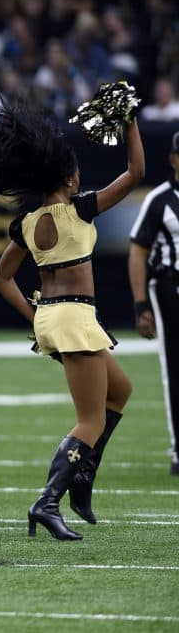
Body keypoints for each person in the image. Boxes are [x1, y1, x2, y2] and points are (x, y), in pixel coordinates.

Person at [0, 94, 144, 540]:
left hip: (55, 319)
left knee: (121, 390)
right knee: (90, 419)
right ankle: (48, 500)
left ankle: (81, 479)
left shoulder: (26, 222)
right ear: (70, 177)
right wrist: (129, 121)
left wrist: (35, 317)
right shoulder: (81, 207)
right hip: (75, 318)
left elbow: (1, 278)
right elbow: (136, 173)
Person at [128, 131, 179, 475]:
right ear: (174, 159)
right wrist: (140, 304)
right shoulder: (159, 200)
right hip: (171, 289)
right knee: (174, 369)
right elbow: (138, 251)